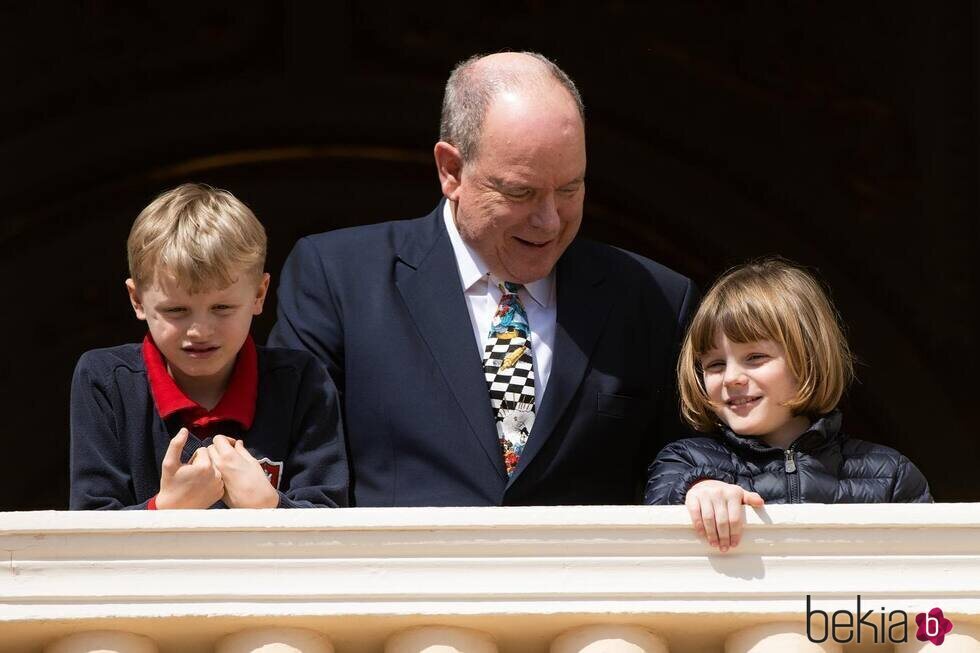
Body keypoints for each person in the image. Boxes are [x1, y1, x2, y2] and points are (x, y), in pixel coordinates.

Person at [269, 51, 697, 506]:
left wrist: (701, 483)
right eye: (520, 192)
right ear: (451, 171)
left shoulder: (654, 299)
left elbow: (693, 460)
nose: (550, 222)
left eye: (570, 189)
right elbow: (294, 468)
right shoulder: (339, 278)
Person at [70, 183, 348, 510]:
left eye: (222, 308)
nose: (200, 331)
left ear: (259, 294)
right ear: (137, 300)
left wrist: (269, 508)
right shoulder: (106, 381)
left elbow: (330, 527)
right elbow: (89, 527)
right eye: (176, 310)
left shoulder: (301, 382)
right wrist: (166, 510)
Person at [644, 258, 931, 550]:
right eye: (715, 364)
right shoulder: (685, 462)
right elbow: (656, 524)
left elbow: (932, 572)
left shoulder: (890, 473)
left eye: (755, 357)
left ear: (807, 358)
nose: (731, 377)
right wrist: (697, 493)